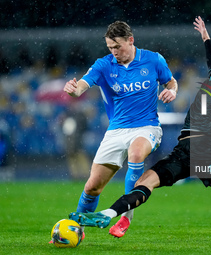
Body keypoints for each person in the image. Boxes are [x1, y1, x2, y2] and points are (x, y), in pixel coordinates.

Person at [69, 17, 211, 243]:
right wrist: (206, 38)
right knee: (145, 182)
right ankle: (109, 215)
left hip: (210, 155)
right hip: (184, 151)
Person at [63, 21, 178, 239]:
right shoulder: (104, 65)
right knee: (92, 187)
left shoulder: (153, 59)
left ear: (130, 40)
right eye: (110, 48)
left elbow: (171, 83)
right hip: (116, 131)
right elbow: (82, 86)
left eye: (118, 47)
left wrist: (172, 92)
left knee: (136, 153)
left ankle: (125, 217)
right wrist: (73, 90)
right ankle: (75, 229)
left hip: (147, 127)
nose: (114, 52)